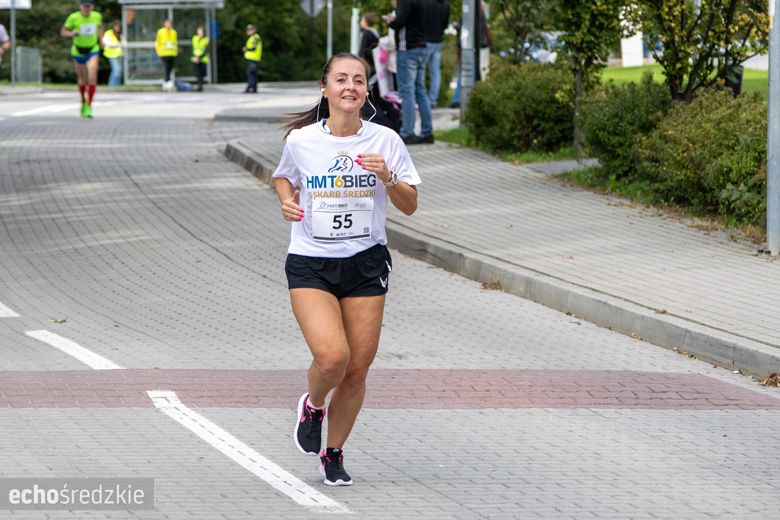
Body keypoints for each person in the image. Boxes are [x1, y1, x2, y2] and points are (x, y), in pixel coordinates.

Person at [273, 52, 420, 486]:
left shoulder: (386, 141)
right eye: (341, 79)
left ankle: (333, 453)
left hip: (366, 263)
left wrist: (389, 177)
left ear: (366, 91)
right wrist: (286, 199)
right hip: (311, 262)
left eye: (358, 80)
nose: (350, 87)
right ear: (325, 88)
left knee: (356, 368)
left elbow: (411, 206)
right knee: (333, 357)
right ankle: (314, 406)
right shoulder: (301, 141)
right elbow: (284, 176)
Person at [386, 0, 434, 145]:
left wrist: (390, 20)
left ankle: (407, 132)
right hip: (422, 47)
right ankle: (427, 132)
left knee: (407, 92)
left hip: (408, 49)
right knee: (420, 91)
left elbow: (400, 22)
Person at [60, 0, 103, 119]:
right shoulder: (73, 17)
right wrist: (72, 33)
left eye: (89, 6)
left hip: (92, 49)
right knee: (82, 80)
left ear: (92, 7)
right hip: (78, 50)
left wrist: (101, 40)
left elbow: (99, 28)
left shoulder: (97, 16)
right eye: (84, 6)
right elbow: (63, 31)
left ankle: (89, 105)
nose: (86, 9)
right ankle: (83, 101)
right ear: (80, 7)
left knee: (92, 78)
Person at [425, 0, 450, 107]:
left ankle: (421, 101)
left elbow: (423, 21)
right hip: (438, 40)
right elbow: (445, 24)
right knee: (435, 72)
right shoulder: (446, 4)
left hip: (426, 40)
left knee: (419, 72)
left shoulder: (427, 3)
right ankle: (432, 101)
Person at [155, 19, 178, 92]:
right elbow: (157, 42)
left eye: (170, 24)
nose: (169, 25)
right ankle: (168, 82)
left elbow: (175, 42)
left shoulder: (174, 32)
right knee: (167, 68)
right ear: (165, 24)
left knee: (170, 68)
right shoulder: (160, 31)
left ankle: (165, 83)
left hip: (172, 53)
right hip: (164, 53)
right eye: (167, 23)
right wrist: (158, 52)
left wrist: (176, 51)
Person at [102, 20, 125, 87]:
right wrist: (116, 44)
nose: (117, 28)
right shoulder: (108, 33)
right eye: (116, 26)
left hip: (119, 55)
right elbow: (105, 42)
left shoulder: (120, 34)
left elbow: (124, 43)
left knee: (119, 71)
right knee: (116, 71)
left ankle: (116, 86)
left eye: (118, 26)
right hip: (111, 55)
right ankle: (111, 86)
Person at [242, 24, 262, 94]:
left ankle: (250, 88)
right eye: (248, 30)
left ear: (254, 30)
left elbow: (254, 48)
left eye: (251, 30)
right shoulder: (252, 37)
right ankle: (253, 88)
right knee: (252, 74)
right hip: (252, 59)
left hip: (253, 59)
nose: (249, 31)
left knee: (251, 74)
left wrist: (246, 49)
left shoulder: (255, 38)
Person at [191, 26, 209, 92]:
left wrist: (199, 57)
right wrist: (195, 57)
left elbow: (206, 50)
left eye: (201, 31)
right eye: (198, 31)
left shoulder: (206, 39)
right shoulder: (195, 38)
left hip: (203, 58)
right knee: (197, 73)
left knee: (202, 73)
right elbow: (193, 48)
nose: (199, 32)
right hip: (195, 58)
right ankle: (199, 86)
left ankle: (200, 86)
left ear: (204, 32)